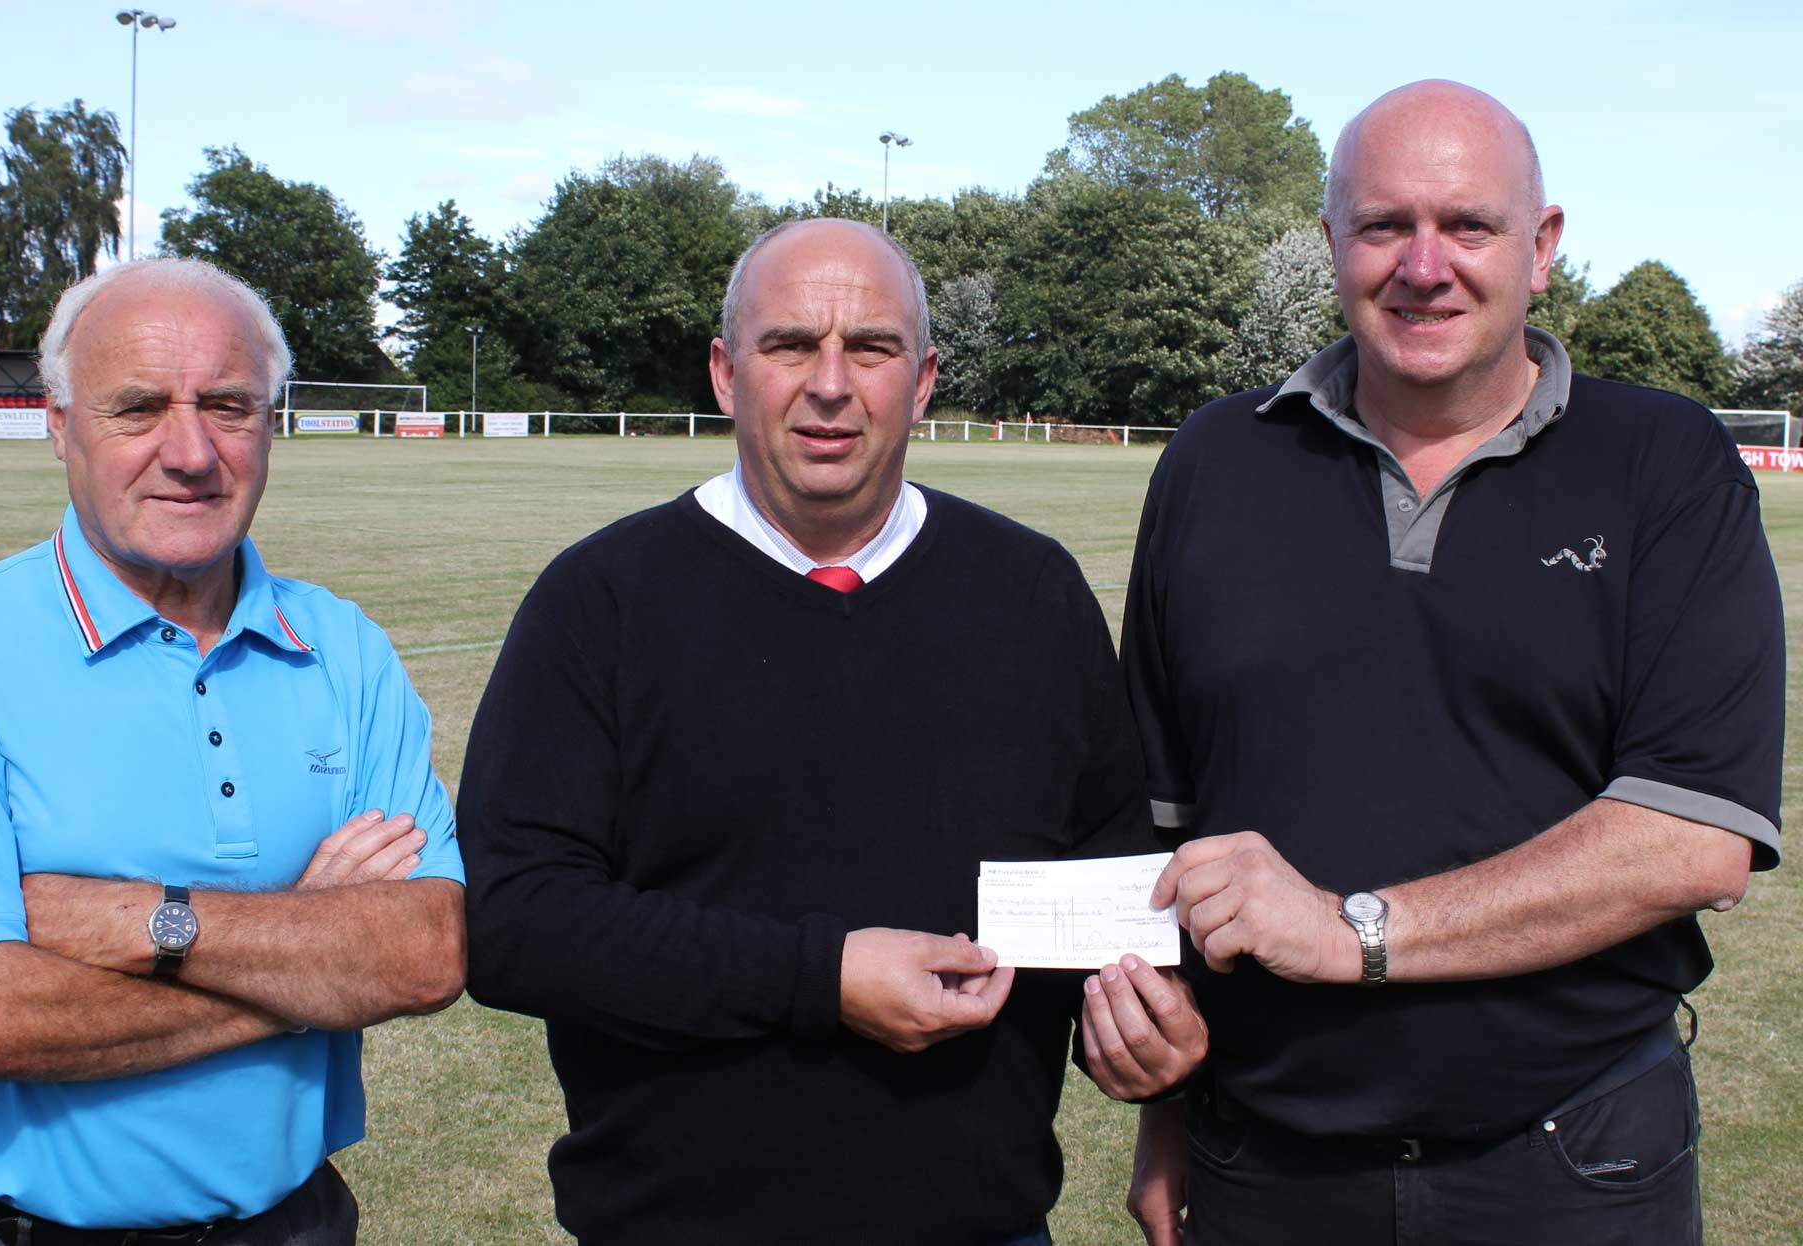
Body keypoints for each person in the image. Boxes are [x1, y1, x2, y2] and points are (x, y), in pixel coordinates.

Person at [1119, 80, 1783, 1246]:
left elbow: (1692, 835)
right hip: (1263, 1157)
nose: (1423, 265)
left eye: (1467, 226)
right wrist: (1162, 1110)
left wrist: (1354, 928)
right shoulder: (1214, 460)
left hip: (1569, 1159)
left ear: (1540, 247)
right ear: (1330, 244)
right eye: (1382, 226)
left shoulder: (1663, 460)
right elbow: (1171, 832)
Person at [458, 217, 1206, 1246]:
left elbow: (1108, 887)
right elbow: (515, 925)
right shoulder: (600, 600)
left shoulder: (1029, 592)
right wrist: (819, 980)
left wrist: (1135, 1029)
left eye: (870, 346)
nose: (828, 382)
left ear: (925, 376)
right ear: (725, 373)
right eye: (788, 344)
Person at [0, 258, 466, 1245]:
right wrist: (312, 958)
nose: (190, 451)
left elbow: (423, 956)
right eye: (138, 407)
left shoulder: (344, 649)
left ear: (270, 420)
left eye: (227, 405)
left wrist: (132, 920)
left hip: (281, 1222)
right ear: (58, 423)